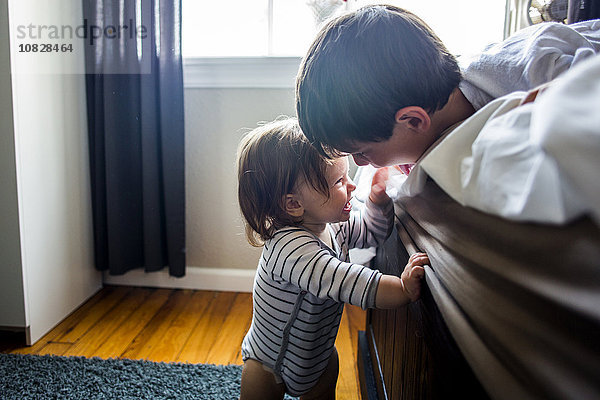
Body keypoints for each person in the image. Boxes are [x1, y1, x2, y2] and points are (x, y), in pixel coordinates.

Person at [236, 118, 429, 400]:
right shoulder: (290, 250)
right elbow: (347, 281)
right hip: (269, 363)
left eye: (347, 176)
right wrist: (401, 288)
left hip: (317, 355)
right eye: (339, 181)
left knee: (327, 378)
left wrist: (377, 204)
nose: (351, 186)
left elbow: (370, 233)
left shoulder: (331, 225)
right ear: (293, 204)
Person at [295, 4, 600, 169]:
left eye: (362, 152)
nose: (361, 163)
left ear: (413, 120)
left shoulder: (526, 67)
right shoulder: (436, 112)